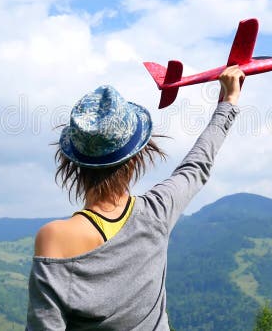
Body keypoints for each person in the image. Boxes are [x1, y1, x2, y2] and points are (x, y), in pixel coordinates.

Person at [26, 65, 245, 330]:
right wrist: (228, 102)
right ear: (137, 157)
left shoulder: (54, 238)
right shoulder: (158, 211)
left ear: (72, 162)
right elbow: (196, 166)